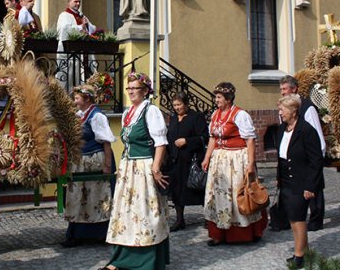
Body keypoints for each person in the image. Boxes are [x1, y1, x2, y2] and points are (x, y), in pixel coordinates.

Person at [101, 72, 169, 270]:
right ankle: (121, 259)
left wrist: (156, 169)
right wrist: (122, 167)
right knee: (126, 213)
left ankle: (146, 261)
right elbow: (127, 143)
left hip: (145, 167)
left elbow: (161, 143)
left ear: (146, 91)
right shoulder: (128, 113)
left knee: (145, 212)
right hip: (129, 168)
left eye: (135, 88)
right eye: (129, 88)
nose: (131, 92)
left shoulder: (151, 111)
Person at [201, 82, 267, 246]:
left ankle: (244, 233)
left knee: (238, 195)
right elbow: (212, 138)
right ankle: (219, 233)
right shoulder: (216, 115)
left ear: (228, 99)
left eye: (219, 97)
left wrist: (251, 163)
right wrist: (207, 157)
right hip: (219, 161)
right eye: (216, 97)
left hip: (236, 160)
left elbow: (250, 140)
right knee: (218, 196)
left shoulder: (240, 115)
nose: (216, 100)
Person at [62, 84, 116, 248]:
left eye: (77, 98)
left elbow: (106, 141)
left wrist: (107, 165)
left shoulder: (97, 116)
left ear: (87, 99)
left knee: (96, 197)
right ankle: (76, 234)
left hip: (95, 160)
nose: (75, 101)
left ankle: (100, 234)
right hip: (81, 162)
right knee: (78, 197)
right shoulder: (80, 115)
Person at [275, 94, 323, 269]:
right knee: (292, 218)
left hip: (301, 181)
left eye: (282, 109)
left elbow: (316, 161)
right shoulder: (282, 129)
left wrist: (311, 186)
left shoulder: (307, 130)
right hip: (286, 180)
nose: (280, 113)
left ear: (294, 111)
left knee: (298, 218)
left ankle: (300, 255)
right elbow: (282, 156)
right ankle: (304, 249)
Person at [279, 75, 326, 231]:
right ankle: (287, 218)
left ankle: (315, 219)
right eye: (281, 90)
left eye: (285, 89)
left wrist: (318, 158)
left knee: (314, 189)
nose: (282, 92)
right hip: (293, 157)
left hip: (308, 157)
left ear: (295, 89)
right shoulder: (285, 108)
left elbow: (316, 135)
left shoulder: (307, 107)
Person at [167, 92, 209, 232]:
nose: (177, 108)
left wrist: (187, 141)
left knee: (197, 189)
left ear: (186, 104)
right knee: (176, 191)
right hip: (176, 160)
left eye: (179, 105)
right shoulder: (173, 119)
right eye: (174, 105)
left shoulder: (196, 117)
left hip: (191, 160)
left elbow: (204, 137)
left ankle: (208, 218)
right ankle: (180, 219)